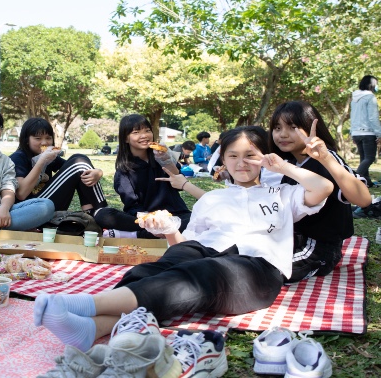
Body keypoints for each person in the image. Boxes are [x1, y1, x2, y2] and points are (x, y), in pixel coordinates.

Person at [34, 125, 333, 352]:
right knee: (154, 268)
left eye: (251, 155)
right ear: (223, 160)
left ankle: (84, 304)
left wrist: (282, 167)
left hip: (255, 268)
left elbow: (323, 187)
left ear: (265, 157)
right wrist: (167, 230)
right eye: (233, 156)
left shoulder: (282, 194)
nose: (241, 163)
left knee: (201, 272)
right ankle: (91, 329)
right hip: (202, 250)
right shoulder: (212, 200)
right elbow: (181, 247)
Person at [270, 101, 371, 283]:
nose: (282, 134)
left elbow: (363, 200)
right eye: (277, 128)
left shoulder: (325, 159)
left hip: (319, 247)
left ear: (311, 128)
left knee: (270, 271)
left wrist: (325, 158)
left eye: (293, 127)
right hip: (290, 239)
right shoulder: (288, 164)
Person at [94, 114, 199, 239]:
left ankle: (134, 235)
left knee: (197, 221)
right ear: (126, 138)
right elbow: (132, 207)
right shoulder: (123, 171)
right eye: (136, 132)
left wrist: (166, 161)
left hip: (176, 215)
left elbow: (179, 184)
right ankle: (158, 232)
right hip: (145, 218)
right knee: (103, 215)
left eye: (147, 130)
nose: (144, 135)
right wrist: (151, 219)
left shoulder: (162, 156)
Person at [9, 117, 107, 216]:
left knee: (78, 157)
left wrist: (98, 172)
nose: (44, 143)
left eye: (48, 138)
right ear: (26, 140)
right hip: (29, 210)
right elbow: (21, 194)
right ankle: (102, 211)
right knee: (78, 162)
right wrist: (42, 160)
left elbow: (73, 169)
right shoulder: (18, 158)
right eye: (38, 138)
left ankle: (91, 212)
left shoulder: (50, 157)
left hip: (49, 204)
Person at [350, 75, 380, 187]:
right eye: (376, 84)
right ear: (371, 85)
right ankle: (354, 179)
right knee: (370, 158)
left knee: (364, 158)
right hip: (368, 132)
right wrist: (379, 133)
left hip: (357, 133)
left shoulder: (354, 98)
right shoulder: (370, 97)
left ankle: (367, 182)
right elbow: (373, 117)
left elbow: (352, 116)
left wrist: (352, 133)